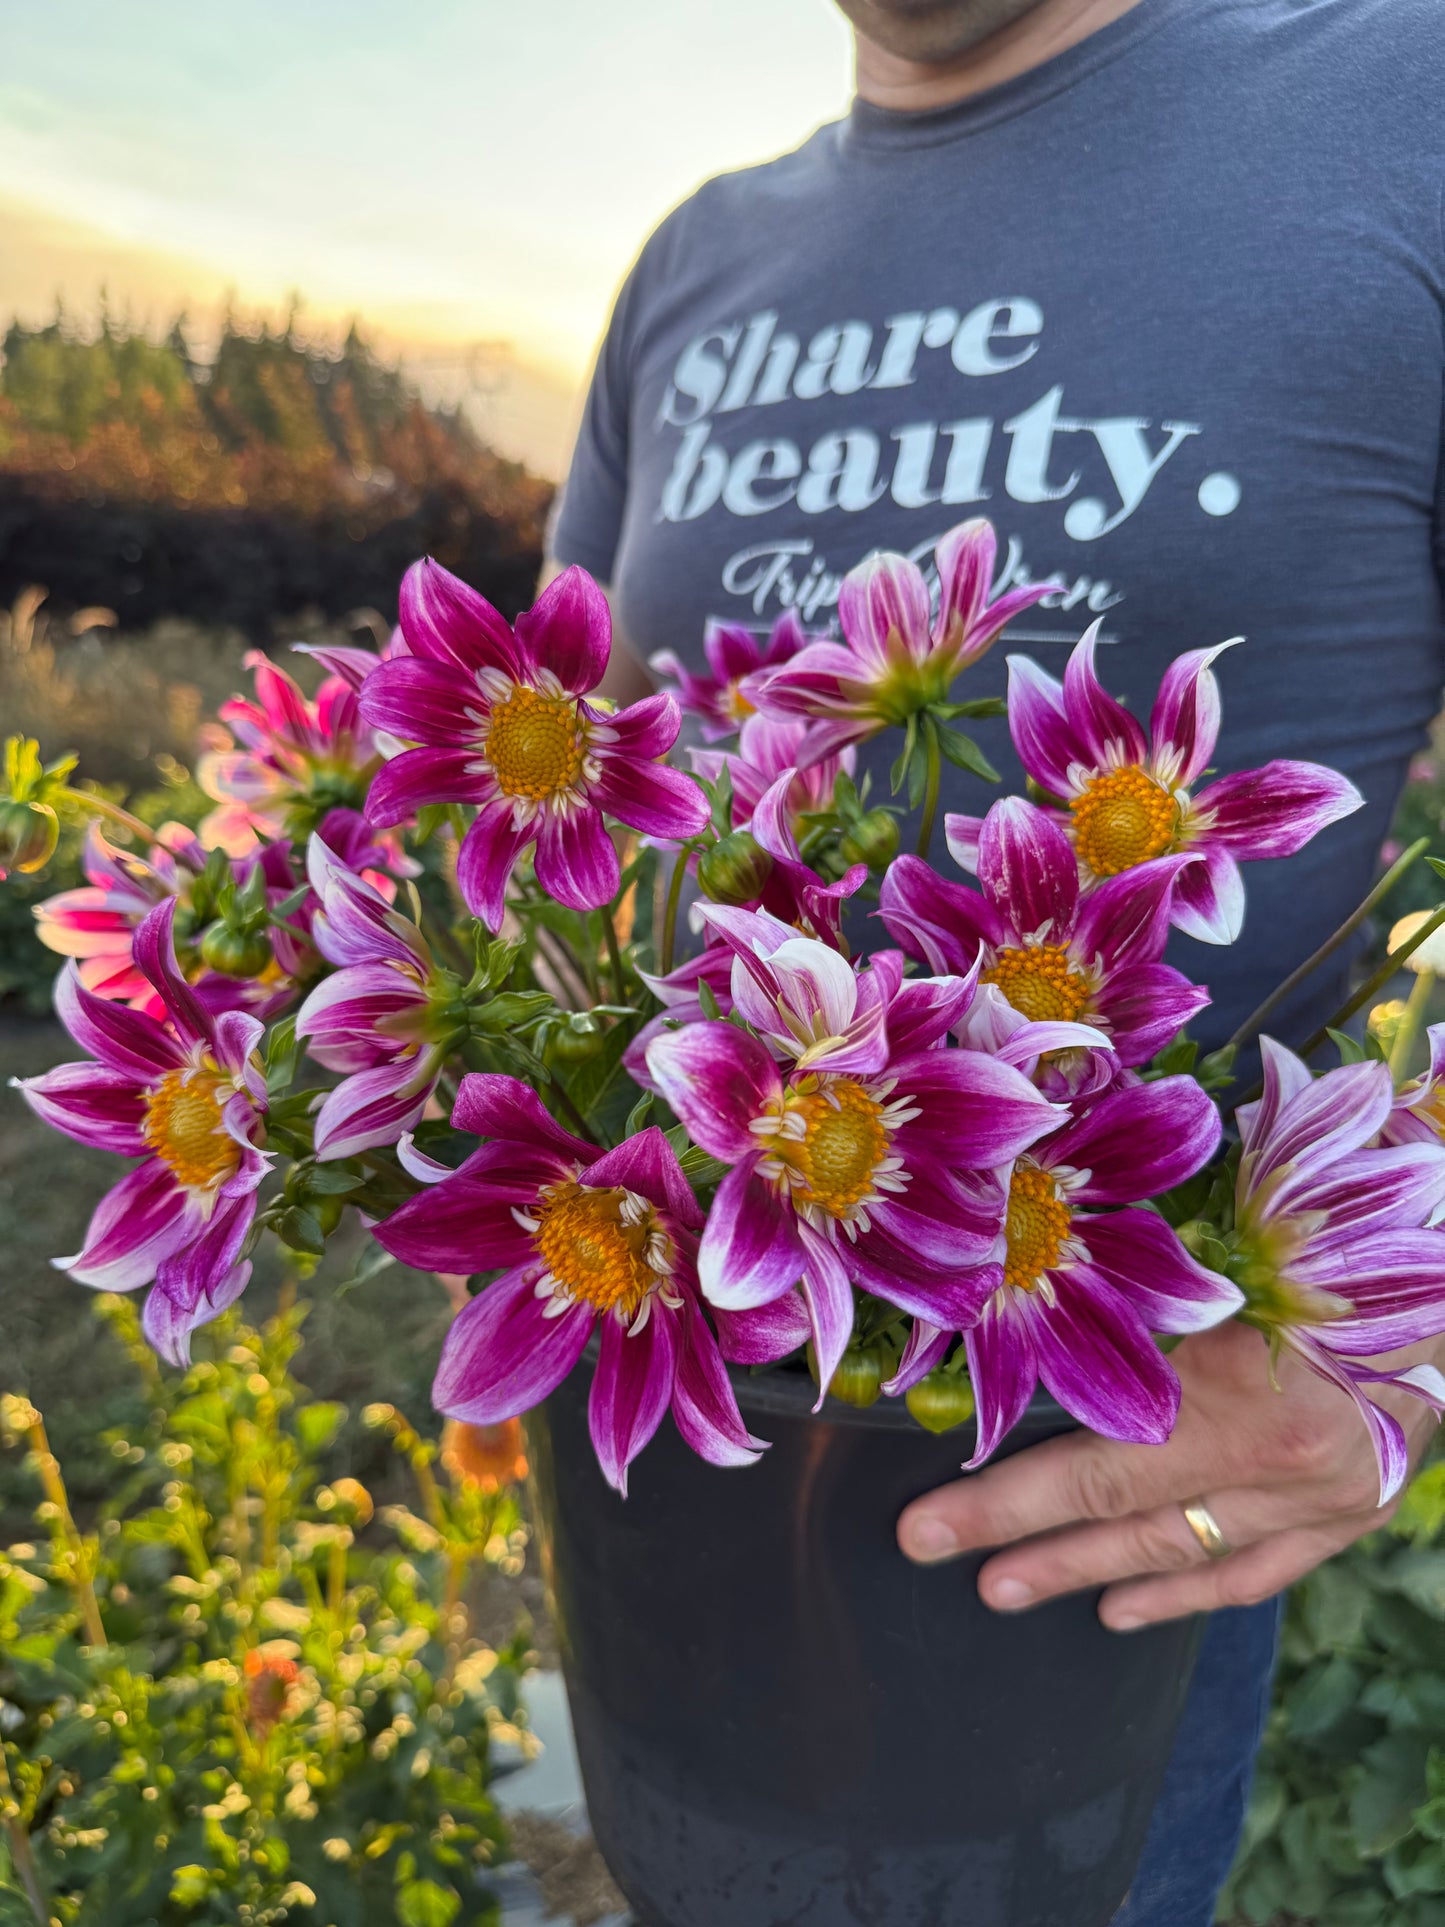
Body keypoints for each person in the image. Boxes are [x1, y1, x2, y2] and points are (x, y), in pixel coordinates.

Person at [543, 0, 1445, 1916]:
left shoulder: (1404, 102)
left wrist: (1413, 1325)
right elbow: (562, 816)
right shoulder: (696, 254)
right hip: (668, 1445)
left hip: (1090, 1492)